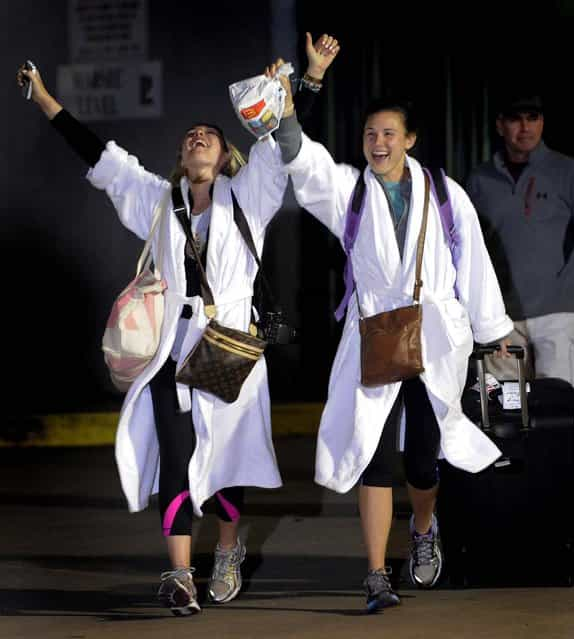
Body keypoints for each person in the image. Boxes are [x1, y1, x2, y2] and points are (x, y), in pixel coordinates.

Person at [16, 32, 339, 617]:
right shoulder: (158, 202)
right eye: (192, 135)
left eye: (210, 135)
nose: (199, 138)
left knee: (227, 461)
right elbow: (100, 158)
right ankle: (180, 573)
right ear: (182, 154)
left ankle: (228, 551)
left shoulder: (251, 195)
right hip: (172, 350)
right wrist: (43, 98)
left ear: (224, 154)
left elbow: (284, 141)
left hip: (230, 347)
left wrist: (304, 82)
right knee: (175, 453)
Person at [280, 96, 513, 611]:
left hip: (434, 338)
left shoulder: (446, 195)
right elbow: (303, 160)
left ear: (409, 140)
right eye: (369, 135)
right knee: (373, 455)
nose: (378, 144)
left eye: (388, 134)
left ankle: (424, 527)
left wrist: (495, 329)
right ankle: (376, 574)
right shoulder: (350, 193)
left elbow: (471, 261)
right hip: (378, 335)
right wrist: (287, 107)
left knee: (425, 459)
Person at [465, 90, 574, 387]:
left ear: (542, 123)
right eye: (515, 119)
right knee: (506, 412)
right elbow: (464, 250)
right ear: (500, 125)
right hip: (500, 318)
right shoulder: (479, 180)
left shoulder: (570, 173)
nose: (525, 127)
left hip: (556, 314)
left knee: (559, 409)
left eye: (533, 118)